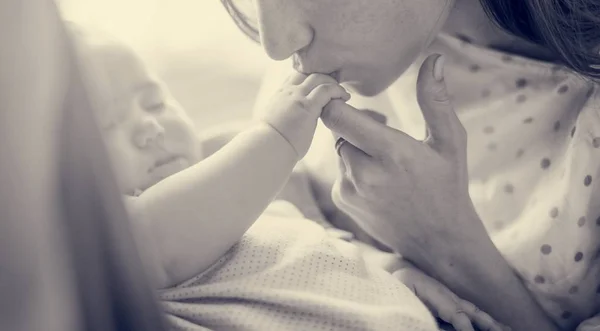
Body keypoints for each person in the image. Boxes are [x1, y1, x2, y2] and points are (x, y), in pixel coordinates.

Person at [68, 26, 493, 331]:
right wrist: (274, 136)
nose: (149, 128)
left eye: (153, 100)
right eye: (105, 126)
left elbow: (322, 247)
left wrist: (392, 273)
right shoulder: (118, 244)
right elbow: (157, 243)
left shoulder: (265, 202)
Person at [220, 0, 600, 330]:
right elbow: (269, 218)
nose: (275, 44)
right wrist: (375, 263)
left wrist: (446, 244)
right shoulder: (354, 52)